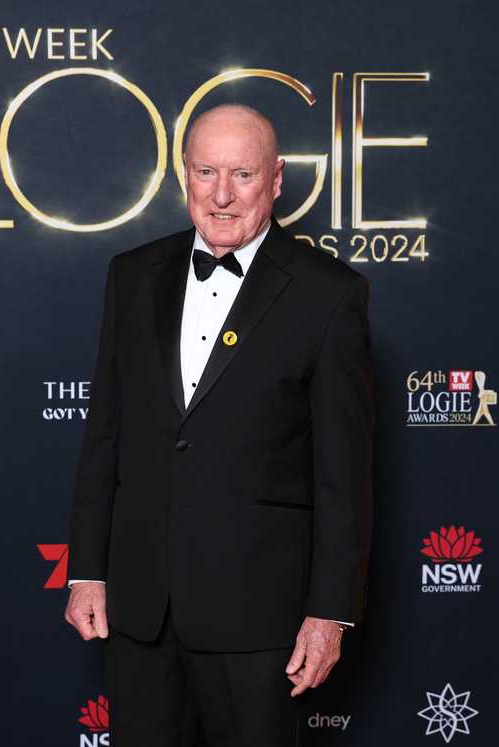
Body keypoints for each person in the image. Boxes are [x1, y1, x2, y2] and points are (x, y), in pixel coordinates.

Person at [64, 103, 374, 747]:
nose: (223, 195)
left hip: (260, 617)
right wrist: (87, 569)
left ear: (277, 179)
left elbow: (343, 476)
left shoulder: (329, 293)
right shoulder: (131, 275)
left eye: (243, 174)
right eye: (206, 172)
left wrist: (330, 615)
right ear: (184, 176)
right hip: (141, 607)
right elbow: (105, 436)